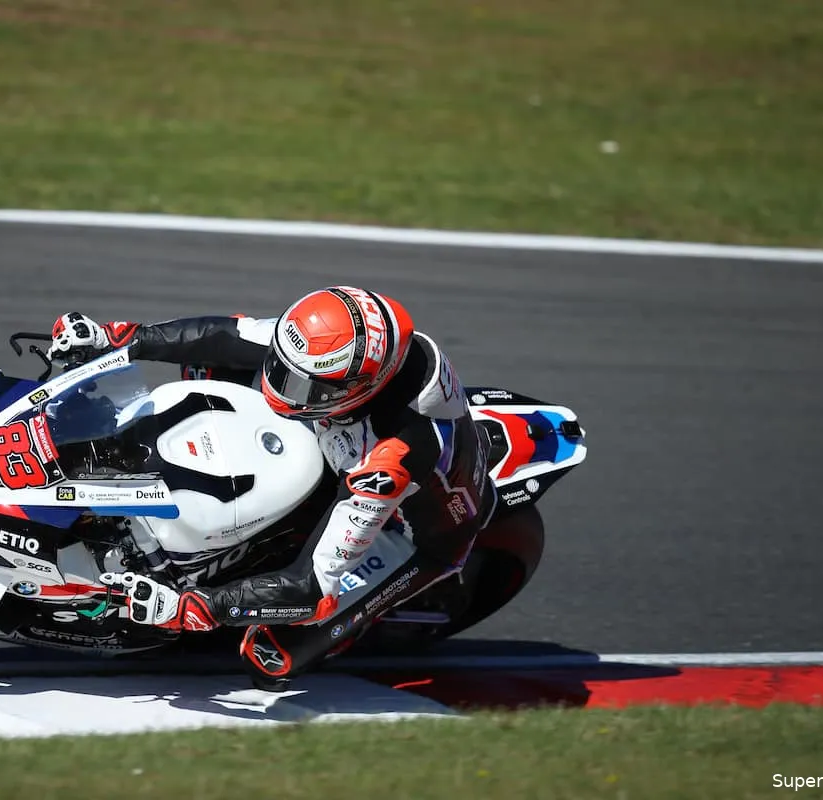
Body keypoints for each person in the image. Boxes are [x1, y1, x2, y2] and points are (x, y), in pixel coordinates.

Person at [47, 287, 497, 689]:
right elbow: (227, 335)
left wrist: (200, 606)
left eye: (298, 383)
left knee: (272, 655)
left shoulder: (390, 457)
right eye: (282, 366)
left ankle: (338, 630)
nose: (278, 385)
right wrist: (120, 338)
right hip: (335, 440)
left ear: (358, 388)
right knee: (208, 365)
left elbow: (312, 587)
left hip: (409, 534)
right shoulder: (335, 342)